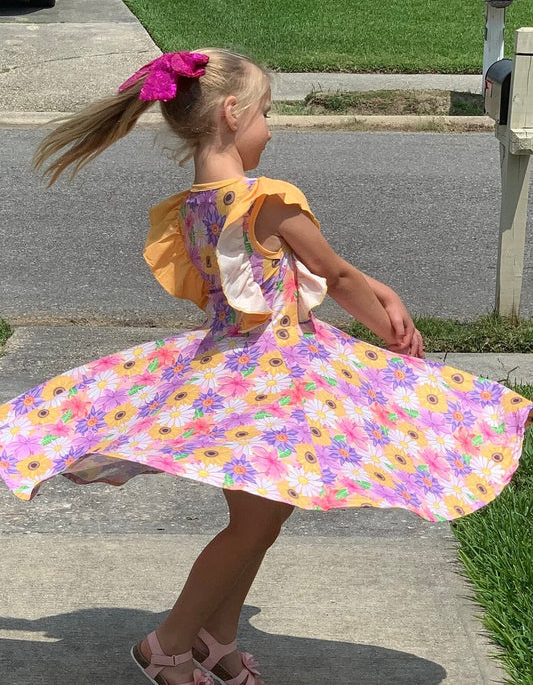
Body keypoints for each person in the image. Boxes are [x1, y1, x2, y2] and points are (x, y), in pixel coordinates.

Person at [0, 48, 532, 685]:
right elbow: (332, 275)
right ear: (232, 113)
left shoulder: (195, 206)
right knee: (251, 525)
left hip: (231, 373)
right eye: (266, 113)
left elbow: (301, 272)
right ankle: (166, 645)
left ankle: (214, 637)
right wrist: (388, 325)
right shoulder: (266, 199)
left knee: (265, 517)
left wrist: (375, 284)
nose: (271, 129)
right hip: (268, 383)